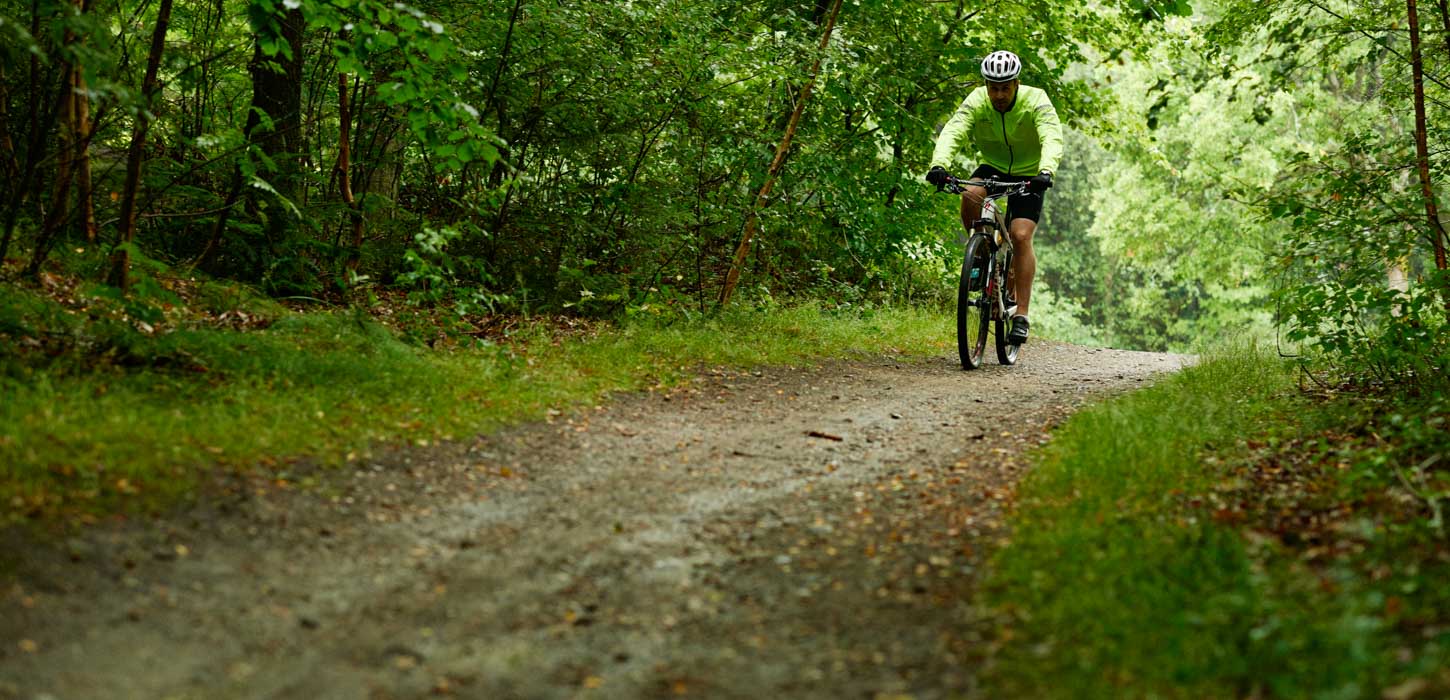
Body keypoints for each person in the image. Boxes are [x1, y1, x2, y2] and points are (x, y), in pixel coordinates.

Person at [926, 50, 1063, 346]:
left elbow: (1051, 135)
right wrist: (939, 165)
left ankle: (1022, 315)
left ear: (1016, 84)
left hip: (1030, 173)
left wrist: (1046, 170)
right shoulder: (976, 100)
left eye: (1005, 87)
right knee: (971, 193)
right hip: (993, 168)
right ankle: (979, 256)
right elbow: (954, 130)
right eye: (993, 88)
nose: (998, 95)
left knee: (1020, 234)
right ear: (986, 85)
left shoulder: (1035, 99)